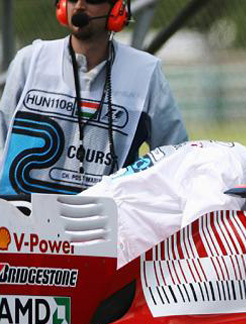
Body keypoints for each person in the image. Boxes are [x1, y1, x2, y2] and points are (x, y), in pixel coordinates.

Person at [82, 117, 246, 268]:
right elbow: (203, 255)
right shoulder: (230, 169)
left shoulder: (235, 163)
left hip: (99, 240)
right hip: (88, 243)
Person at [0, 0, 187, 196]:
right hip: (24, 222)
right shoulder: (29, 62)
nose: (79, 5)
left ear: (117, 9)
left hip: (106, 221)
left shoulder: (145, 73)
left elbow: (175, 158)